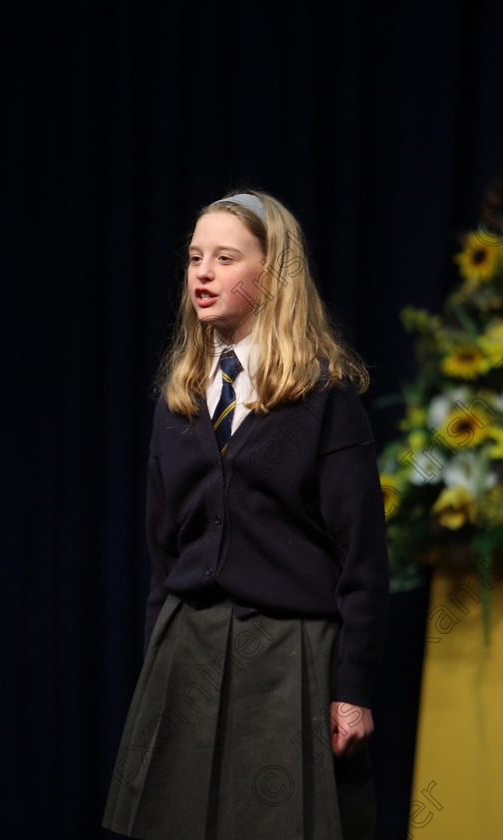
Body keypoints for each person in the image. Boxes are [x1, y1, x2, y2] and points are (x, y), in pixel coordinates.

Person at [103, 190, 390, 840]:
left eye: (225, 257)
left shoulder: (321, 397)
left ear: (272, 274)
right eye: (195, 257)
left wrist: (354, 685)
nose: (202, 272)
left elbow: (363, 559)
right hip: (187, 650)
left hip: (288, 659)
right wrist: (158, 667)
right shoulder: (178, 403)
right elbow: (164, 555)